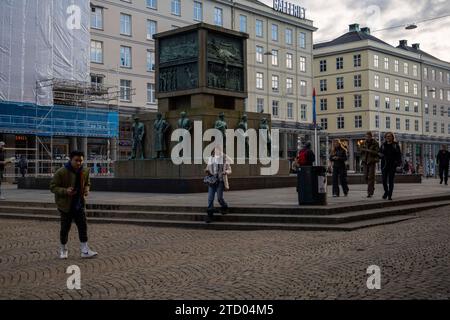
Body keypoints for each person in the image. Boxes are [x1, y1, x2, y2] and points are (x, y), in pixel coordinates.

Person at [50, 151, 98, 259]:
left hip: (79, 204)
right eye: (76, 160)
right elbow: (52, 187)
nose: (79, 163)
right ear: (70, 160)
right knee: (65, 228)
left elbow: (87, 183)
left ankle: (84, 250)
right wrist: (65, 191)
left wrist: (86, 189)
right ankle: (63, 249)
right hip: (65, 205)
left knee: (83, 226)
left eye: (81, 160)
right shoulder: (61, 172)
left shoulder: (85, 171)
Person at [204, 146, 232, 223]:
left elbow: (230, 170)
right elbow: (207, 168)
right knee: (210, 198)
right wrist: (207, 170)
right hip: (212, 181)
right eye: (214, 152)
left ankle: (224, 206)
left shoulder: (224, 159)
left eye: (217, 152)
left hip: (220, 181)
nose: (216, 153)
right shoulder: (211, 159)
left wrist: (225, 172)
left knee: (219, 198)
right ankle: (210, 215)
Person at [380, 132, 402, 200]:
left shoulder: (395, 145)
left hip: (392, 165)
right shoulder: (383, 145)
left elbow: (399, 155)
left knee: (391, 181)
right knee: (383, 180)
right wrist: (380, 155)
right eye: (387, 136)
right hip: (384, 165)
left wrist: (398, 164)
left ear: (392, 137)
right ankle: (386, 192)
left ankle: (390, 195)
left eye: (389, 136)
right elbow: (379, 153)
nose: (388, 137)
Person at [360, 132, 380, 198]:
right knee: (365, 177)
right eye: (366, 136)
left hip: (372, 161)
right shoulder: (363, 143)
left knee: (371, 177)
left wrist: (368, 150)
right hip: (365, 161)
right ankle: (372, 186)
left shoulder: (375, 143)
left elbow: (377, 152)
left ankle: (370, 192)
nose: (367, 138)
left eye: (368, 136)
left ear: (371, 136)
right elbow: (360, 151)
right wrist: (362, 150)